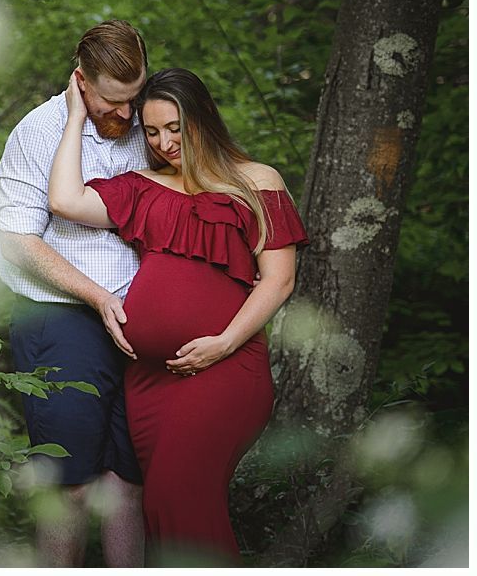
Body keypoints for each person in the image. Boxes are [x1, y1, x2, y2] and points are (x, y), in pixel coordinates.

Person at [48, 67, 309, 565]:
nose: (165, 142)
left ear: (202, 120)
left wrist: (223, 343)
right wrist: (76, 114)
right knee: (164, 512)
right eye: (151, 131)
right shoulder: (144, 186)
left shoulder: (255, 182)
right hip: (149, 383)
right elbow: (65, 201)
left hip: (224, 370)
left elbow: (280, 280)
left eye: (175, 128)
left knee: (179, 501)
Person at [0, 20, 149, 567]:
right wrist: (98, 297)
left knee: (127, 483)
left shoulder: (147, 124)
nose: (126, 115)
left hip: (139, 325)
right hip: (60, 322)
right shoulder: (37, 132)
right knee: (72, 486)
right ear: (81, 82)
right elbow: (17, 242)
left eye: (134, 99)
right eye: (112, 101)